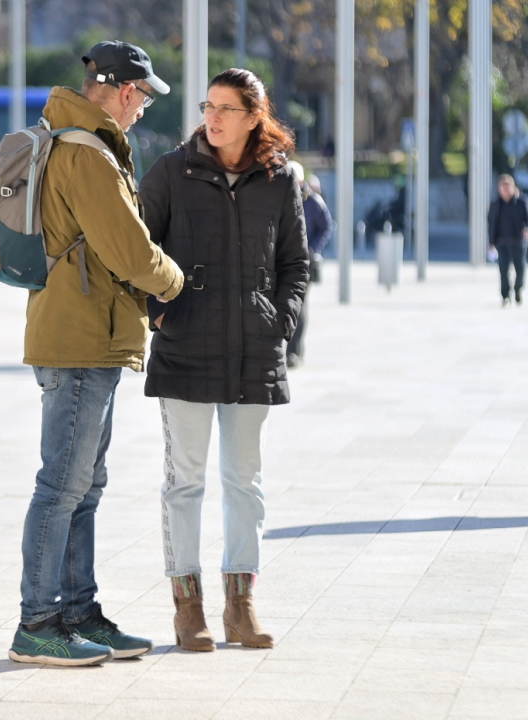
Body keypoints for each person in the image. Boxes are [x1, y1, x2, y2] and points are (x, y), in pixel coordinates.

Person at [8, 40, 184, 667]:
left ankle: (78, 612)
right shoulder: (88, 154)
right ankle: (38, 622)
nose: (142, 112)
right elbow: (131, 253)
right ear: (128, 91)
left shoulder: (70, 137)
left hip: (86, 331)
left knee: (85, 484)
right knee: (63, 484)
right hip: (82, 336)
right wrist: (176, 283)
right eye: (142, 99)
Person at [139, 68, 308, 652]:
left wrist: (279, 321)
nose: (212, 118)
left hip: (253, 353)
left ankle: (242, 604)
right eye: (209, 106)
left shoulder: (279, 181)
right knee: (184, 483)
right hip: (185, 349)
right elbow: (135, 249)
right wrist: (157, 311)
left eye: (226, 109)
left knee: (246, 485)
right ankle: (189, 609)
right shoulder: (171, 171)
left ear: (254, 117)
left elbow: (295, 265)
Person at [287, 165, 333, 368]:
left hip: (304, 262)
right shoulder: (281, 200)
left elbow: (327, 227)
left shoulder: (313, 202)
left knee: (299, 306)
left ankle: (294, 352)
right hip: (283, 261)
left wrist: (313, 249)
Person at [487, 174, 528, 306]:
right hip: (501, 242)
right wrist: (491, 242)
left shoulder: (521, 202)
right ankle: (505, 296)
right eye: (502, 187)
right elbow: (491, 223)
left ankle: (518, 289)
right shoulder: (495, 204)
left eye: (507, 187)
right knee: (503, 270)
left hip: (518, 242)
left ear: (513, 188)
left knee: (520, 269)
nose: (505, 190)